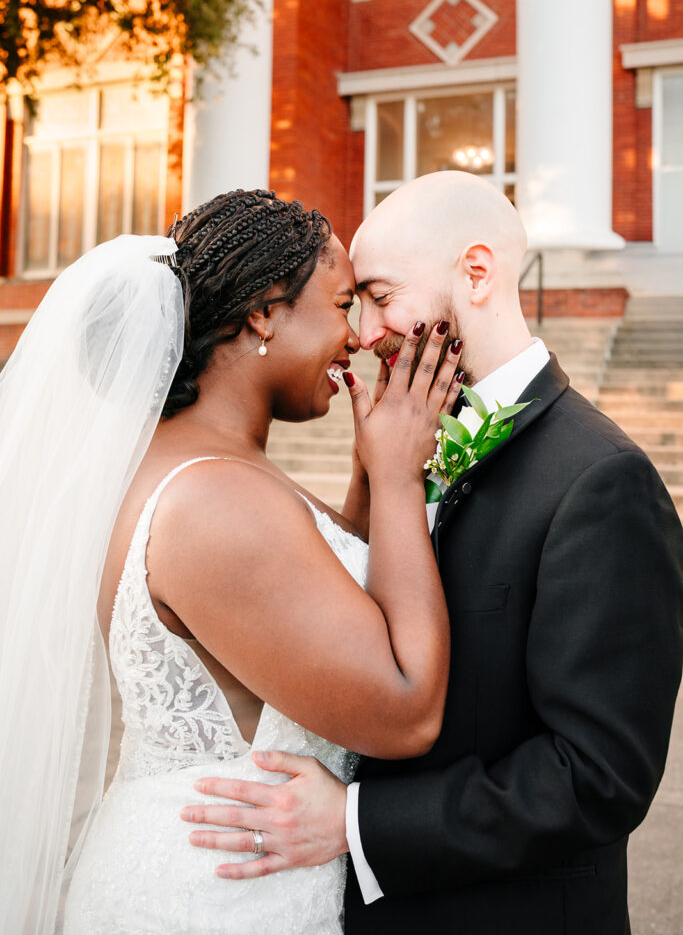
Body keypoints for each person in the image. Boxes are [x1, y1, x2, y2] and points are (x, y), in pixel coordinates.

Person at [186, 172, 683, 935]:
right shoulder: (406, 438)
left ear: (476, 274)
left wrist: (356, 823)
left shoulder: (599, 480)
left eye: (382, 296)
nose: (369, 331)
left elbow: (598, 776)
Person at [0, 189, 465, 935]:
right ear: (262, 313)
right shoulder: (213, 500)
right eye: (340, 303)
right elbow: (403, 712)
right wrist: (402, 479)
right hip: (216, 896)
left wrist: (369, 472)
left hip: (220, 871)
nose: (352, 338)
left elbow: (313, 606)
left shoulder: (201, 467)